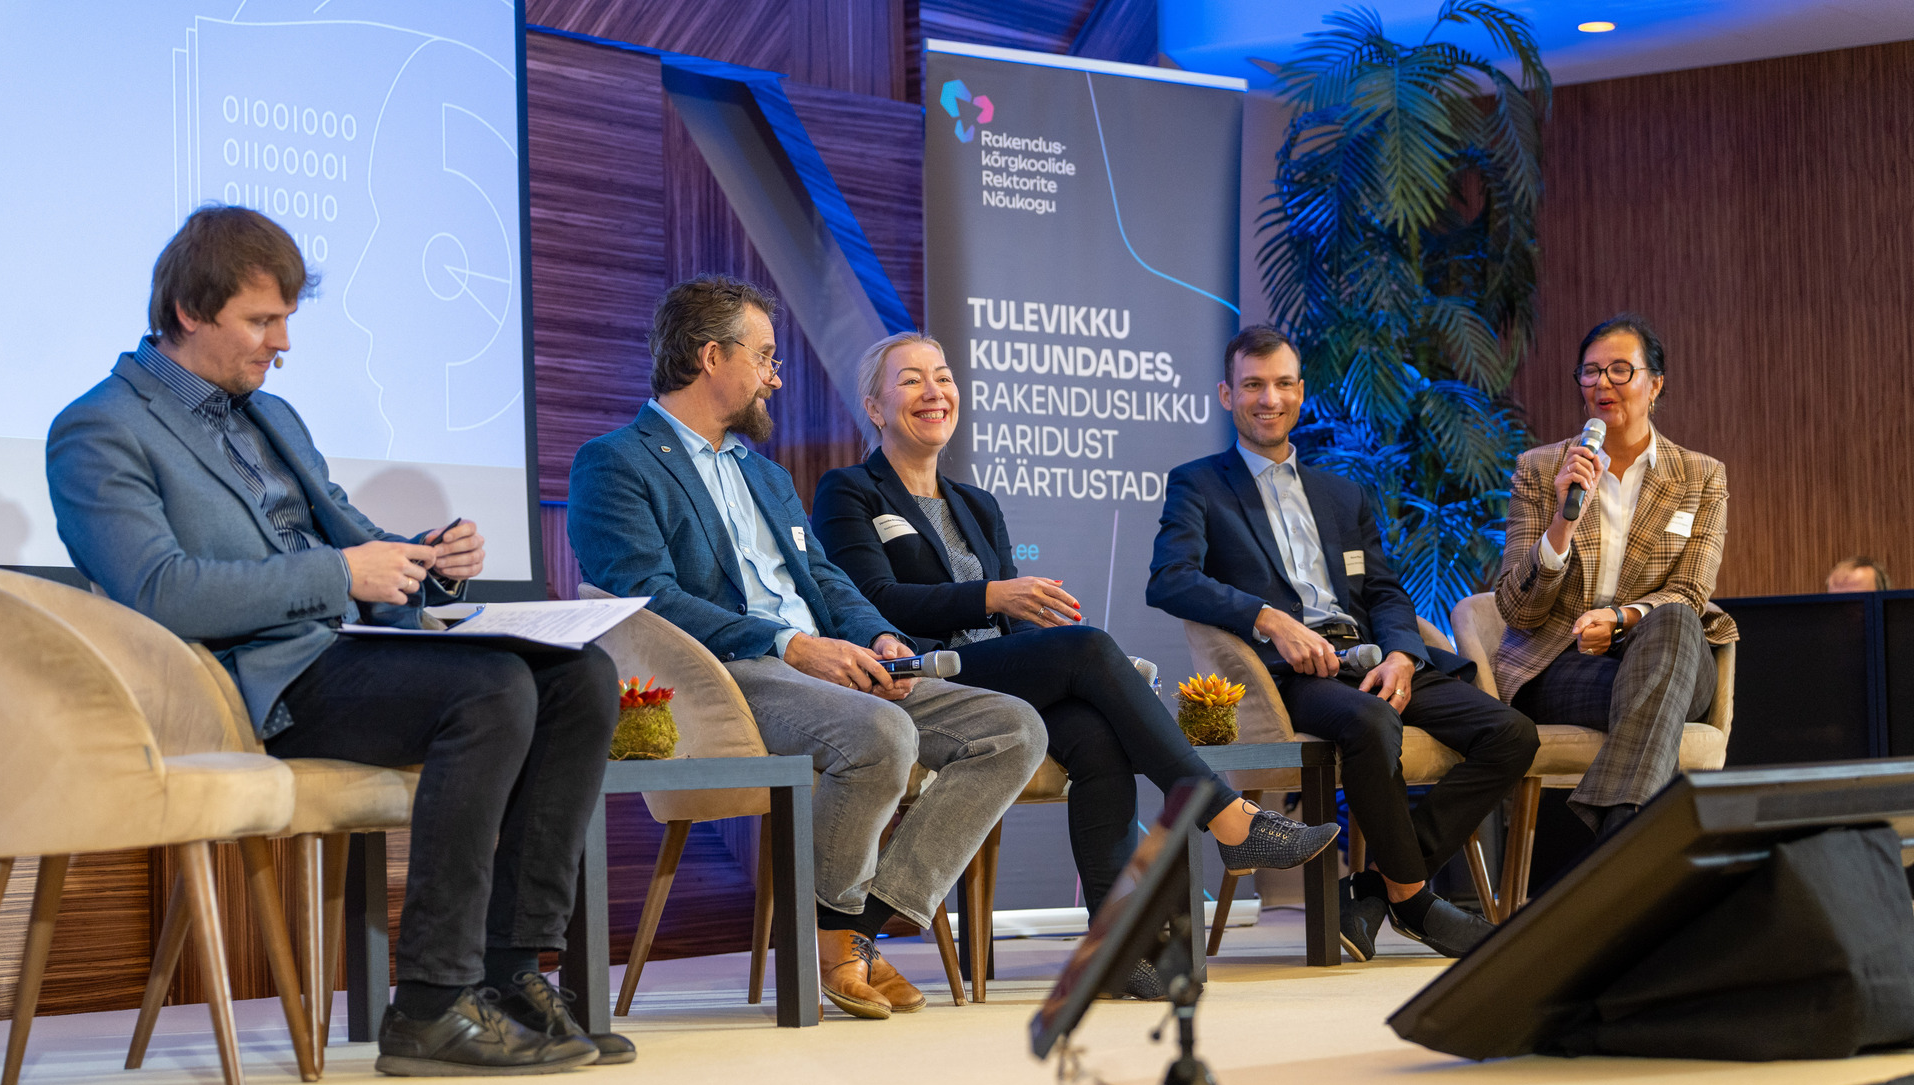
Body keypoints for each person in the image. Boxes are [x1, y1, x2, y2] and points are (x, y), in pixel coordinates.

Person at [46, 206, 626, 1076]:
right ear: (189, 311)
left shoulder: (272, 415)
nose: (281, 343)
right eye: (261, 321)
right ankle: (430, 1004)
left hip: (341, 652)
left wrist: (430, 564)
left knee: (580, 676)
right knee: (490, 688)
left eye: (285, 319)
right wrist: (341, 574)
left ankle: (510, 975)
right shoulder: (99, 428)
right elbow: (159, 592)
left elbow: (353, 543)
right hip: (250, 682)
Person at [567, 278, 1047, 1020]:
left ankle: (857, 927)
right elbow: (645, 596)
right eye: (764, 357)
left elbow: (823, 577)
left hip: (821, 662)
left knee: (1013, 729)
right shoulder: (616, 461)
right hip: (729, 672)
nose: (776, 377)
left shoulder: (763, 472)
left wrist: (876, 636)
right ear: (711, 356)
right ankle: (831, 943)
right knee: (881, 733)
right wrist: (790, 645)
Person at [811, 334, 1343, 979]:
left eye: (943, 377)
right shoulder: (850, 490)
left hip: (993, 674)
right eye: (911, 380)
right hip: (923, 676)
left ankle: (1114, 950)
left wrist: (1023, 619)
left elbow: (1005, 625)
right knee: (1087, 648)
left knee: (1098, 737)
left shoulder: (976, 503)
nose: (934, 392)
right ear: (874, 407)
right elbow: (871, 600)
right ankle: (1227, 817)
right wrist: (993, 595)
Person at [1148, 326, 1537, 960]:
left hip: (1371, 658)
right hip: (1289, 674)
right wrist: (1270, 620)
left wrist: (1403, 655)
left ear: (1301, 392)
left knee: (1513, 734)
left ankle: (1377, 889)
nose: (1269, 399)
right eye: (1253, 385)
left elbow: (1383, 590)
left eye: (1282, 384)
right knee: (1371, 722)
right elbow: (1170, 579)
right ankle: (1414, 900)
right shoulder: (1199, 485)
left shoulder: (1340, 493)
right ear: (1226, 394)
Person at [1494, 312, 1738, 837]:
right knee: (1657, 695)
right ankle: (1626, 837)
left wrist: (1622, 618)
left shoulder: (1700, 476)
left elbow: (1691, 590)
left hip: (1669, 651)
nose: (1602, 383)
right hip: (1564, 664)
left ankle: (1618, 839)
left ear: (1655, 384)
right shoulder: (1541, 469)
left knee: (1675, 622)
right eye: (1591, 371)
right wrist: (1563, 522)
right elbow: (1518, 609)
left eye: (1620, 370)